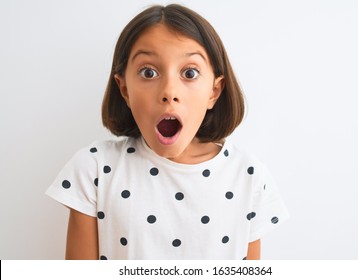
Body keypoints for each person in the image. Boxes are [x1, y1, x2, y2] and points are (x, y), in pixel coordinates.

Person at [46, 4, 289, 260]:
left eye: (190, 73)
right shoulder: (93, 169)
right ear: (125, 89)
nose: (169, 92)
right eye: (148, 72)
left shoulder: (248, 176)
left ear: (214, 92)